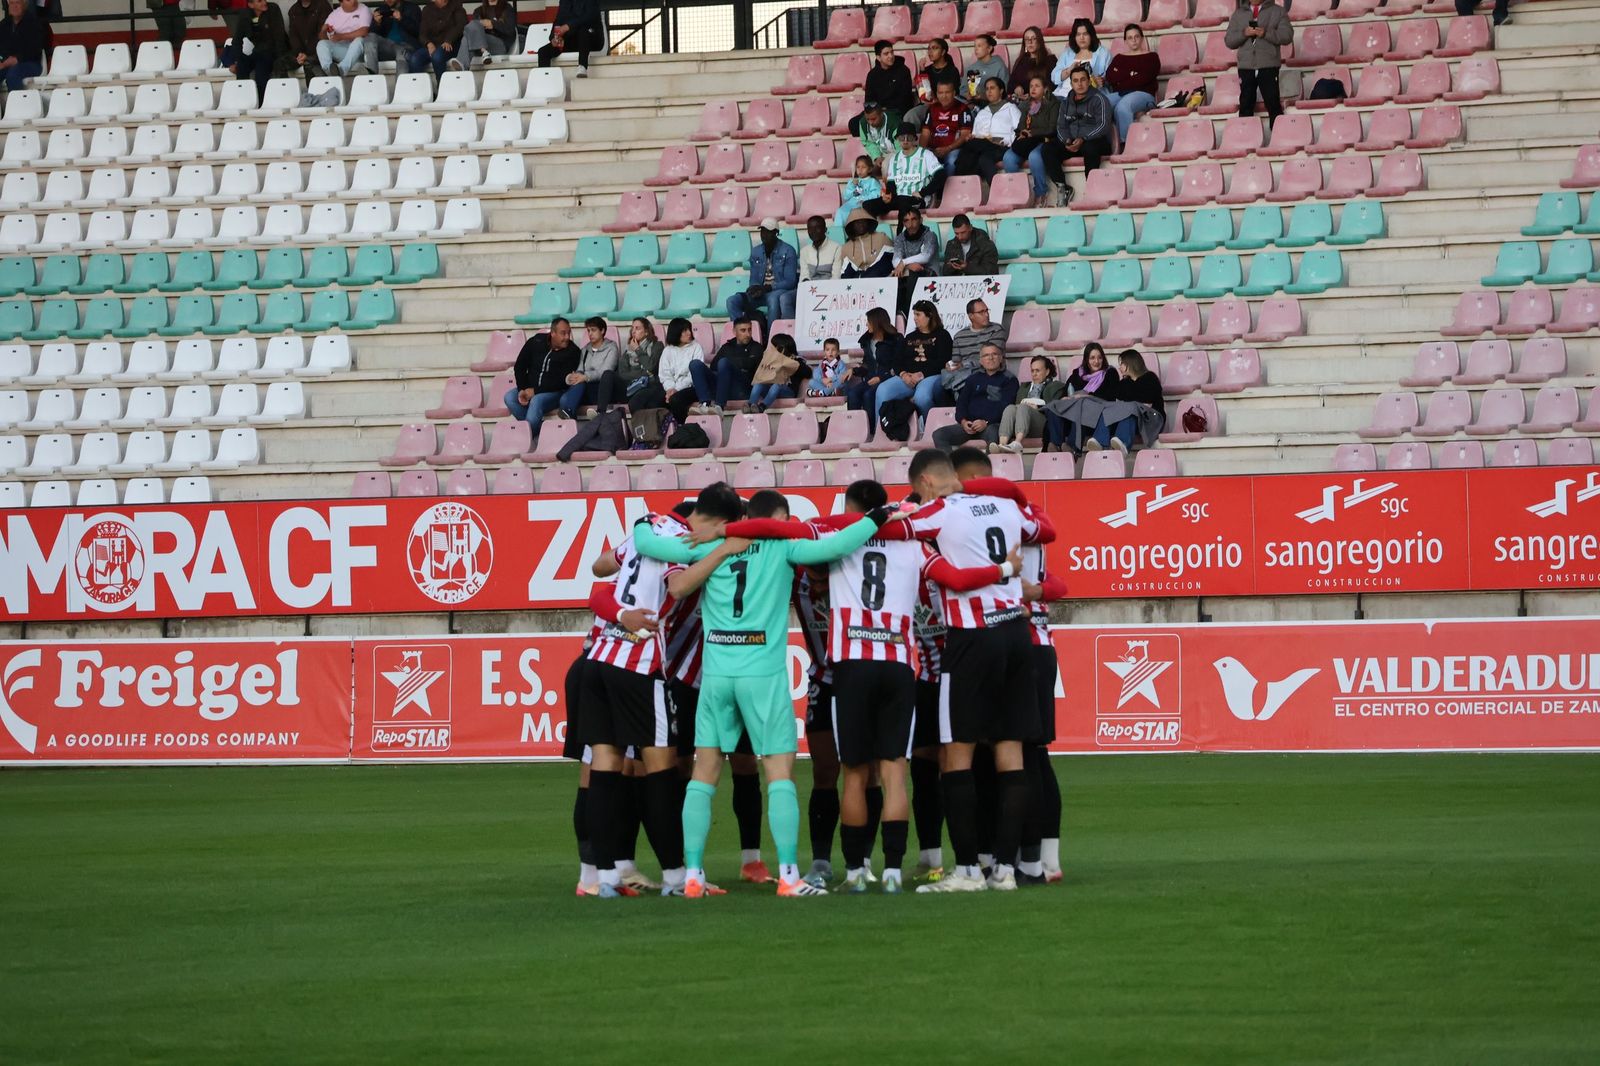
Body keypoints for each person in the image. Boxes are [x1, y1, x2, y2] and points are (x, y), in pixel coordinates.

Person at [633, 484, 902, 899]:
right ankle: (790, 876)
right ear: (776, 520)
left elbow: (647, 542)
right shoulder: (783, 548)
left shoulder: (708, 547)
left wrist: (645, 524)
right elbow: (840, 544)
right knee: (778, 773)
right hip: (762, 673)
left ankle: (692, 875)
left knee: (704, 773)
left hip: (718, 673)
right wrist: (878, 517)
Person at [903, 448, 1042, 893]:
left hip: (971, 638)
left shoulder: (938, 512)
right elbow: (1046, 528)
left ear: (925, 482)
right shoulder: (1005, 506)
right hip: (1016, 633)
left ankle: (965, 871)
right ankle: (1004, 870)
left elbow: (888, 528)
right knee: (1010, 752)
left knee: (956, 754)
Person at [577, 513, 689, 898]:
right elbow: (679, 583)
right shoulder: (681, 543)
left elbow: (599, 572)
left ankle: (603, 878)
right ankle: (676, 878)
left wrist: (623, 613)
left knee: (603, 770)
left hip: (598, 660)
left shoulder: (641, 539)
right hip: (639, 667)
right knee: (660, 773)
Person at [1045, 347, 1164, 453]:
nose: (1120, 367)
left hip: (1150, 417)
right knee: (1121, 408)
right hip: (1133, 415)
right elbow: (1120, 399)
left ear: (1130, 363)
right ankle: (1099, 440)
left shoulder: (1150, 378)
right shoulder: (1124, 382)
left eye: (1122, 363)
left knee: (1129, 407)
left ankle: (1122, 441)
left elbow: (1148, 399)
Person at [507, 317, 581, 442]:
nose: (567, 337)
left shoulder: (573, 352)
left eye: (569, 332)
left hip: (555, 392)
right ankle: (537, 428)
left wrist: (535, 391)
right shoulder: (536, 341)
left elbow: (561, 380)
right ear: (552, 333)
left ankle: (527, 437)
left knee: (536, 400)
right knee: (509, 397)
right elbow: (520, 366)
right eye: (563, 333)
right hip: (530, 388)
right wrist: (522, 389)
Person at [874, 299, 949, 423]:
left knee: (922, 398)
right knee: (883, 390)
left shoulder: (943, 335)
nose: (915, 318)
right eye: (914, 314)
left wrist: (920, 375)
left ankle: (930, 427)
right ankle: (881, 431)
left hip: (930, 376)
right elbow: (897, 361)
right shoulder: (909, 337)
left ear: (929, 315)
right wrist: (903, 374)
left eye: (918, 314)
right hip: (907, 377)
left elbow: (943, 361)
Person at [725, 218, 798, 342]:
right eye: (762, 231)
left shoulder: (788, 250)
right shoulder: (756, 251)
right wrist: (753, 287)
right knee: (732, 301)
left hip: (777, 290)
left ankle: (770, 340)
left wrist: (767, 288)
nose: (764, 235)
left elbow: (790, 281)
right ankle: (742, 338)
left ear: (775, 233)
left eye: (768, 232)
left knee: (773, 299)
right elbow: (753, 277)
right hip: (761, 291)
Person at [934, 344, 1017, 450]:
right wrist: (963, 421)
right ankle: (949, 466)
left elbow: (1006, 406)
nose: (990, 358)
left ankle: (989, 466)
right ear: (981, 361)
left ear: (1001, 358)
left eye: (994, 354)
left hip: (992, 425)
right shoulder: (973, 379)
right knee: (939, 434)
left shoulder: (1009, 379)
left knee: (994, 434)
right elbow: (961, 403)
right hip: (969, 426)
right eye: (986, 355)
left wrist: (985, 422)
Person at [1224, 0, 1293, 126]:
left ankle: (1278, 135)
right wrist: (1244, 33)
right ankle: (1245, 137)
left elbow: (1287, 35)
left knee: (1273, 103)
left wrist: (1265, 33)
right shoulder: (1238, 14)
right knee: (1245, 104)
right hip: (1246, 66)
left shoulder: (1278, 11)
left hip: (1268, 64)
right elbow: (1229, 40)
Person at [1042, 342, 1119, 452]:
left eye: (1099, 358)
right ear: (1086, 359)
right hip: (1074, 414)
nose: (1096, 361)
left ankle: (1072, 446)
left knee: (1081, 405)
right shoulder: (1078, 373)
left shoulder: (1110, 373)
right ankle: (1055, 444)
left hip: (1095, 417)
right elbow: (1066, 391)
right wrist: (1064, 398)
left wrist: (1086, 396)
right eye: (1092, 358)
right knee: (1054, 406)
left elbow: (1110, 397)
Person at [1003, 74, 1063, 208]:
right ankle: (1019, 194)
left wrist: (1033, 132)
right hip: (1028, 141)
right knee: (1008, 157)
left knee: (1034, 157)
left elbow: (1052, 128)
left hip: (1045, 140)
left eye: (1037, 86)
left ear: (1045, 88)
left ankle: (1041, 193)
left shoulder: (1054, 104)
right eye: (1031, 86)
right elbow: (1020, 126)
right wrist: (1022, 132)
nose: (1033, 89)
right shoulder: (1026, 105)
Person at [688, 317, 763, 414]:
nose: (747, 334)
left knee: (724, 362)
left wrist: (730, 362)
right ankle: (705, 404)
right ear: (734, 332)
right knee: (695, 364)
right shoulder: (727, 347)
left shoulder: (756, 347)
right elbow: (714, 366)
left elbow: (751, 365)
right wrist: (739, 363)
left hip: (742, 389)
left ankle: (719, 406)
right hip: (721, 385)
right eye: (743, 330)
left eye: (749, 330)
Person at [956, 78, 1019, 185]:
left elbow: (1019, 130)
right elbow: (975, 134)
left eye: (992, 88)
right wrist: (971, 137)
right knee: (982, 158)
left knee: (969, 152)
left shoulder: (1011, 108)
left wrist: (1007, 141)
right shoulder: (982, 112)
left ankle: (962, 184)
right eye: (987, 89)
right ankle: (985, 190)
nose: (989, 91)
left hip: (1002, 145)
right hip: (984, 147)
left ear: (1001, 90)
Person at [1104, 24, 1162, 142]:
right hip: (1121, 94)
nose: (1134, 40)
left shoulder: (1152, 57)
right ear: (1125, 41)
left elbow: (1144, 78)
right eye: (1130, 38)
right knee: (1101, 104)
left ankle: (1126, 143)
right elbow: (1110, 77)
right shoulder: (1119, 58)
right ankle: (1106, 143)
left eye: (1136, 37)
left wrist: (1121, 79)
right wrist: (1131, 74)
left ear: (1141, 38)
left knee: (1122, 107)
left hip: (1144, 94)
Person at [997, 355, 1066, 452]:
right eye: (1032, 371)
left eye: (1038, 371)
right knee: (1010, 408)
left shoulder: (1056, 386)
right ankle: (1002, 444)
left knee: (1023, 407)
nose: (1034, 374)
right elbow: (1016, 407)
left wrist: (1037, 407)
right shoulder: (1024, 387)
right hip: (1022, 422)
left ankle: (1017, 442)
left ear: (1047, 371)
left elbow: (1056, 408)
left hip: (1043, 424)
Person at [222, 0, 292, 97]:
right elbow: (236, 41)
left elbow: (279, 38)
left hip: (274, 52)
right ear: (251, 5)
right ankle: (243, 98)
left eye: (264, 0)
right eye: (259, 1)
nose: (264, 2)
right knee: (242, 65)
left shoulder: (273, 9)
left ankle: (261, 102)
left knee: (261, 66)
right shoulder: (245, 15)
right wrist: (236, 61)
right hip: (258, 52)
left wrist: (281, 60)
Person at [942, 295, 1005, 400]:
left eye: (987, 311)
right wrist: (951, 365)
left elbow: (991, 358)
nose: (986, 314)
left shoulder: (997, 330)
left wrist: (965, 364)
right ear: (971, 316)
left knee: (969, 385)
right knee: (937, 387)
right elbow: (956, 362)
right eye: (981, 312)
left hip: (990, 373)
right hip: (966, 375)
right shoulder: (959, 336)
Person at [1057, 65, 1113, 175]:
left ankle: (1091, 185)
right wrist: (1067, 141)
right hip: (1072, 142)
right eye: (1076, 81)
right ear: (1071, 84)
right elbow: (1061, 126)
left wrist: (1084, 138)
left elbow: (1103, 125)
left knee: (1090, 148)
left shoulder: (1099, 99)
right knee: (1048, 149)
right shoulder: (1066, 102)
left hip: (1095, 141)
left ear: (1089, 82)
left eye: (1083, 80)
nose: (1080, 84)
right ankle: (1062, 187)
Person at [559, 316, 619, 417]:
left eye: (593, 330)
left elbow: (607, 371)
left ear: (602, 330)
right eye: (588, 330)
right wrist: (572, 377)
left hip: (602, 390)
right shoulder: (585, 350)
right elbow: (580, 370)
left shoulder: (611, 347)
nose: (590, 333)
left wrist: (585, 377)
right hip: (585, 389)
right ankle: (569, 413)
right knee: (574, 384)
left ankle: (569, 412)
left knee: (567, 397)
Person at [919, 80, 972, 191]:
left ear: (954, 93)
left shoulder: (963, 109)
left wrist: (947, 149)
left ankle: (947, 192)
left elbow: (965, 135)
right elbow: (925, 134)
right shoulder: (932, 109)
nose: (944, 96)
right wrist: (921, 153)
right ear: (936, 94)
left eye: (947, 92)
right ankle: (927, 193)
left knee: (952, 160)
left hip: (953, 149)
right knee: (921, 159)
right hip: (934, 149)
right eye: (940, 92)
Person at [846, 306, 900, 414]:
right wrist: (854, 371)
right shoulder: (867, 341)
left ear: (877, 323)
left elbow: (897, 365)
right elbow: (867, 365)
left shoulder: (895, 339)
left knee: (868, 395)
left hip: (887, 380)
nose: (866, 325)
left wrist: (881, 378)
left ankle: (870, 429)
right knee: (852, 393)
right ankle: (854, 427)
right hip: (870, 380)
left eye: (869, 322)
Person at [882, 125, 944, 212]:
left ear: (915, 138)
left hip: (917, 199)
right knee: (868, 205)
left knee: (902, 202)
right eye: (902, 137)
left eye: (909, 137)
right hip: (899, 199)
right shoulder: (894, 158)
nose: (905, 140)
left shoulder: (926, 154)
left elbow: (941, 175)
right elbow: (891, 183)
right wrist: (889, 196)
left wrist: (923, 193)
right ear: (897, 139)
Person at [890, 208, 940, 312]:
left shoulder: (930, 235)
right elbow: (895, 261)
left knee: (913, 273)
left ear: (920, 220)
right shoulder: (900, 238)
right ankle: (898, 314)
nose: (911, 223)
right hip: (908, 271)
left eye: (914, 219)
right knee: (892, 276)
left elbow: (925, 256)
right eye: (906, 220)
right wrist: (907, 265)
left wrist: (904, 263)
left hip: (930, 273)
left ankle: (909, 312)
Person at [657, 317, 705, 424]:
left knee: (676, 400)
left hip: (692, 387)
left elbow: (694, 375)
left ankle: (683, 427)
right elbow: (664, 374)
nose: (689, 333)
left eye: (689, 329)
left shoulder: (696, 347)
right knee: (653, 400)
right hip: (671, 389)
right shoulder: (667, 350)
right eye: (685, 330)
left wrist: (676, 389)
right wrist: (670, 389)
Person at [540, 0, 604, 76]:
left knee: (583, 31)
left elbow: (590, 17)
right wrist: (554, 37)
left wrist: (568, 26)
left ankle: (582, 66)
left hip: (592, 39)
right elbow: (558, 20)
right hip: (572, 40)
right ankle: (544, 79)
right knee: (543, 52)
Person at [864, 39, 915, 134]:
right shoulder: (872, 75)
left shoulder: (903, 71)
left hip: (898, 110)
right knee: (854, 123)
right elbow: (869, 100)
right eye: (886, 54)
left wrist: (885, 109)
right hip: (878, 111)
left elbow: (905, 98)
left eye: (892, 52)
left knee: (889, 120)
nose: (891, 56)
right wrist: (877, 111)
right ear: (879, 57)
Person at [1052, 18, 1110, 94]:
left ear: (1091, 36)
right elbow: (1054, 77)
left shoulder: (1103, 53)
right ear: (1074, 37)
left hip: (1090, 96)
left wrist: (1102, 81)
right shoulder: (1067, 53)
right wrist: (1069, 70)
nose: (1081, 38)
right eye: (1078, 34)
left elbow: (1111, 79)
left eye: (1085, 34)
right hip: (1063, 95)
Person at [747, 333, 802, 413]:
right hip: (768, 389)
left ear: (782, 348)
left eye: (774, 347)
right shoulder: (768, 359)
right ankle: (750, 405)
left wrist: (785, 364)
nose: (772, 350)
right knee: (758, 384)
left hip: (786, 391)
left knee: (777, 385)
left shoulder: (795, 361)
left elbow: (807, 372)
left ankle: (762, 406)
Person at [315, 0, 372, 77]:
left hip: (360, 52)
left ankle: (341, 69)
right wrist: (323, 31)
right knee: (322, 44)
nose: (353, 1)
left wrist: (340, 36)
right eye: (349, 0)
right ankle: (327, 70)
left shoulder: (364, 9)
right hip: (343, 51)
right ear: (341, 2)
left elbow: (363, 31)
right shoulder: (334, 14)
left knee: (359, 39)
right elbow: (323, 38)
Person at [619, 317, 664, 413]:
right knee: (608, 375)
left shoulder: (657, 346)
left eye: (637, 328)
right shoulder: (628, 351)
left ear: (647, 332)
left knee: (638, 402)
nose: (633, 331)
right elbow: (622, 374)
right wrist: (644, 373)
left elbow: (651, 367)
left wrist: (638, 350)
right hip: (631, 387)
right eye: (632, 328)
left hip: (649, 386)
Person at [410, 0, 466, 75]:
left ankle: (440, 84)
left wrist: (448, 40)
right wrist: (428, 43)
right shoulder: (427, 9)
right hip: (432, 46)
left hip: (450, 45)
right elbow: (422, 33)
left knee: (437, 57)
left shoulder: (457, 6)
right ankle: (419, 86)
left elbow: (460, 26)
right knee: (415, 59)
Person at [364, 0, 421, 72]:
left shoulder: (412, 8)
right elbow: (373, 35)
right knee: (370, 37)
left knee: (402, 55)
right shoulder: (381, 9)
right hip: (388, 47)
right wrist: (377, 23)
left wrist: (402, 19)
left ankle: (401, 83)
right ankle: (372, 76)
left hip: (406, 46)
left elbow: (417, 31)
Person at [942, 217, 1000, 284]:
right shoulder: (951, 244)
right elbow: (945, 273)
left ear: (970, 228)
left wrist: (967, 267)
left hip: (981, 285)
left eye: (963, 232)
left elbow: (991, 271)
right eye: (956, 233)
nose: (960, 237)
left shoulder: (986, 244)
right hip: (958, 286)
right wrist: (951, 267)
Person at [838, 207, 893, 277]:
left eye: (863, 221)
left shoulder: (882, 237)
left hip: (882, 279)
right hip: (857, 283)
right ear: (852, 226)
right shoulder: (846, 247)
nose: (860, 224)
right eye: (857, 222)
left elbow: (892, 260)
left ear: (868, 222)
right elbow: (843, 273)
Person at [461, 0, 516, 69]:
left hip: (500, 44)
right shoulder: (478, 10)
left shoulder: (507, 9)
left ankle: (461, 66)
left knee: (467, 36)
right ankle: (483, 52)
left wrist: (493, 24)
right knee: (471, 30)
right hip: (479, 45)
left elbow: (510, 30)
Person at [0, 0, 41, 91]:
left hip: (30, 63)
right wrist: (2, 60)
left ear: (24, 5)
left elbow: (35, 50)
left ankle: (17, 104)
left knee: (13, 73)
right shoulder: (4, 24)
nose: (14, 6)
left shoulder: (34, 23)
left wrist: (16, 59)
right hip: (7, 64)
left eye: (17, 3)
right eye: (11, 3)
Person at [286, 0, 331, 79]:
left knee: (309, 63)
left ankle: (313, 90)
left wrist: (307, 56)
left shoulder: (323, 6)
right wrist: (299, 53)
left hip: (319, 52)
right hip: (302, 53)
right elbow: (293, 36)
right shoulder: (293, 10)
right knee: (279, 63)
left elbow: (324, 36)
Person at [1006, 25, 1054, 99]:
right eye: (1026, 39)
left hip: (1044, 101)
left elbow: (1054, 84)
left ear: (1040, 41)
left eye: (1034, 38)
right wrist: (1016, 88)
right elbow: (1011, 84)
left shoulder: (1050, 60)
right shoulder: (1021, 61)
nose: (1030, 42)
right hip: (1022, 101)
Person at [835, 157, 883, 228]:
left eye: (863, 167)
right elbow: (846, 196)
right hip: (851, 204)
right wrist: (852, 186)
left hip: (864, 204)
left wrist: (865, 199)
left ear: (869, 169)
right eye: (858, 167)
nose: (860, 170)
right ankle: (838, 233)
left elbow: (877, 194)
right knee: (840, 211)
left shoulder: (872, 181)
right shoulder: (852, 181)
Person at [962, 34, 1007, 101]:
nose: (976, 49)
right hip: (974, 105)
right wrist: (967, 95)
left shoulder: (999, 66)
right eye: (975, 46)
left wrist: (984, 96)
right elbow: (963, 90)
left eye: (979, 46)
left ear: (989, 48)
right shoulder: (971, 68)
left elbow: (1004, 90)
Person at [849, 101, 895, 166]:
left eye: (873, 119)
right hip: (878, 153)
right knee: (857, 165)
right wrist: (877, 157)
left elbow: (900, 147)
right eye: (868, 119)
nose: (870, 123)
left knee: (885, 165)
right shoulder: (863, 123)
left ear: (881, 114)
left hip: (893, 153)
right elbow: (868, 143)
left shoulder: (894, 122)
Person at [798, 215, 842, 283]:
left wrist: (821, 289)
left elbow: (836, 277)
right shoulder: (804, 251)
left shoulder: (836, 248)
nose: (813, 231)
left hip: (829, 288)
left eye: (817, 228)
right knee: (786, 294)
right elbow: (804, 276)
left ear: (825, 229)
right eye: (810, 228)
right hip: (810, 289)